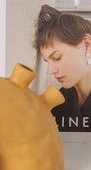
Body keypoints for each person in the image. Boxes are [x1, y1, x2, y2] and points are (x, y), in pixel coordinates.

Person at [34, 4, 91, 132]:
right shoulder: (55, 105)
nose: (50, 71)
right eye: (47, 61)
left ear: (86, 45)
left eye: (57, 57)